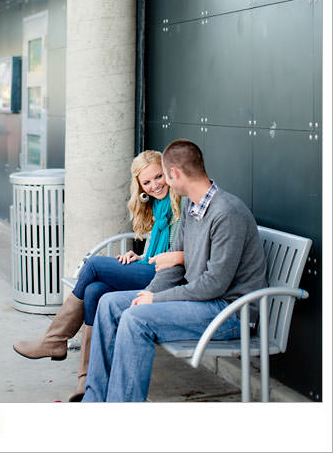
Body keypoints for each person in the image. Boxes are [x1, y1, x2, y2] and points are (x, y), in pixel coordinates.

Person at [82, 139, 267, 402]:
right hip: (203, 303)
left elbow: (215, 284)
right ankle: (94, 400)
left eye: (165, 176)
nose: (164, 184)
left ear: (176, 173)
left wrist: (155, 300)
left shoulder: (227, 212)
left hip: (230, 311)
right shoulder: (192, 207)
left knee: (137, 320)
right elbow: (172, 268)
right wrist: (146, 294)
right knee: (110, 303)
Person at [13, 149, 184, 401]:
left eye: (158, 177)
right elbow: (154, 252)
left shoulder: (180, 201)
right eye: (146, 182)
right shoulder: (158, 207)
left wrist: (148, 262)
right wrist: (140, 258)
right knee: (93, 291)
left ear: (168, 173)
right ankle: (86, 381)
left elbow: (177, 255)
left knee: (93, 265)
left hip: (166, 279)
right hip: (151, 268)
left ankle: (54, 339)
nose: (155, 185)